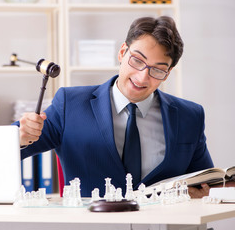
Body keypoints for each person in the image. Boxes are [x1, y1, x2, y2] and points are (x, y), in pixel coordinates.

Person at [14, 16, 216, 198]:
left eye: (158, 70)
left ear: (168, 73)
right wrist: (21, 138)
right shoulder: (70, 104)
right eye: (137, 60)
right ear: (122, 53)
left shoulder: (190, 116)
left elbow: (206, 183)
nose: (142, 77)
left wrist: (201, 194)